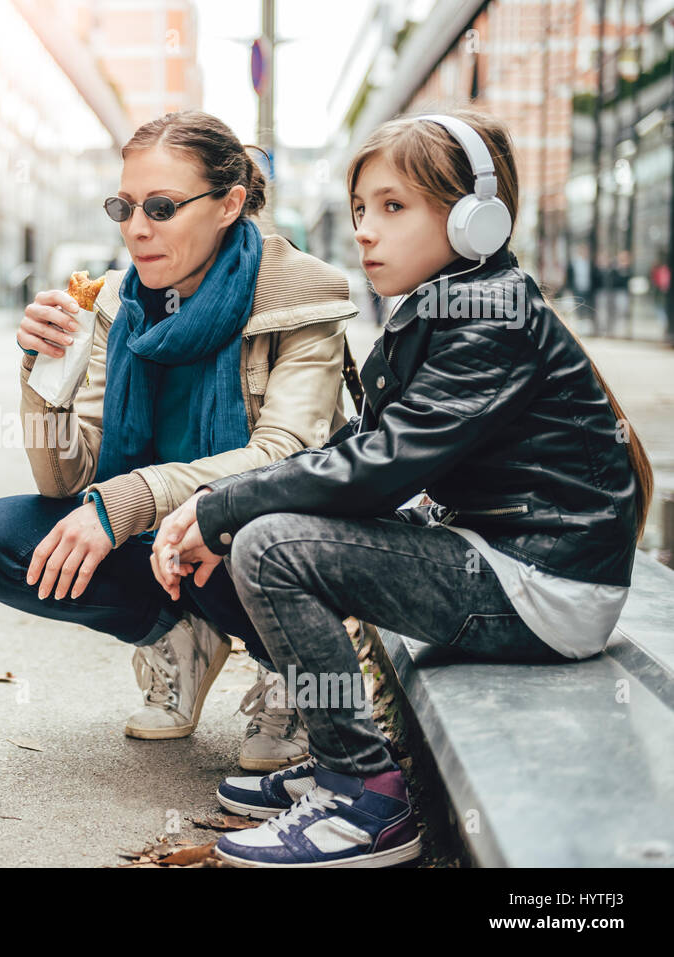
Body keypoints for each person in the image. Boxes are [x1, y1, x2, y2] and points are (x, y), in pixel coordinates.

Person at [151, 110, 653, 868]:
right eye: (360, 209)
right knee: (266, 532)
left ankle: (366, 801)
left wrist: (225, 506)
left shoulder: (490, 316)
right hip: (513, 562)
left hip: (544, 584)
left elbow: (381, 465)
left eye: (393, 206)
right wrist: (238, 501)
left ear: (477, 218)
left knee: (272, 547)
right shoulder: (446, 306)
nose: (365, 231)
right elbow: (365, 452)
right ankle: (339, 760)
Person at [0, 110, 358, 771]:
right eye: (126, 205)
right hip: (163, 543)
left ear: (230, 203)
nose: (136, 228)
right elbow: (67, 482)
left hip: (258, 536)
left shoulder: (301, 294)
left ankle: (287, 670)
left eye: (164, 207)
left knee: (251, 521)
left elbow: (283, 455)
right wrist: (40, 373)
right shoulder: (118, 301)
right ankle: (182, 638)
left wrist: (134, 497)